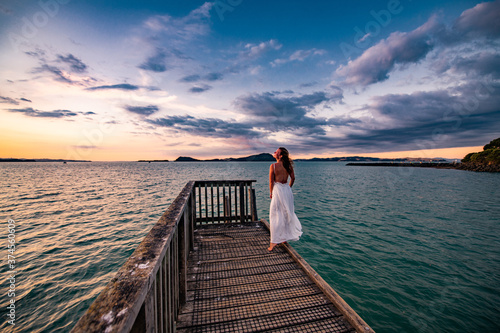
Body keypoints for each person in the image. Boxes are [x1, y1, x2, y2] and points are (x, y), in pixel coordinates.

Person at [268, 147, 303, 251]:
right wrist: (288, 188)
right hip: (287, 190)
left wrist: (271, 193)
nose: (274, 152)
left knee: (275, 214)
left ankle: (273, 242)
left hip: (278, 190)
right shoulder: (288, 166)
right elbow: (293, 178)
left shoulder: (273, 166)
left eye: (276, 152)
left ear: (281, 155)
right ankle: (284, 238)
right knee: (286, 213)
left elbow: (271, 182)